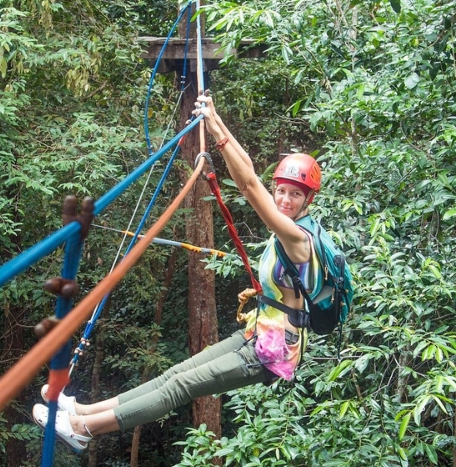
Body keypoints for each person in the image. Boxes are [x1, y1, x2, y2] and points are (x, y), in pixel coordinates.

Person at [32, 94, 325, 452]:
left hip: (272, 354)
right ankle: (84, 410)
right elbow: (249, 170)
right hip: (259, 332)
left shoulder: (297, 237)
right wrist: (214, 119)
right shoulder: (288, 225)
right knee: (173, 374)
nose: (284, 200)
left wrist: (215, 129)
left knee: (179, 387)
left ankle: (83, 429)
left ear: (308, 201)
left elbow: (248, 185)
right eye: (280, 191)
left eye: (295, 195)